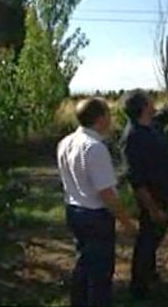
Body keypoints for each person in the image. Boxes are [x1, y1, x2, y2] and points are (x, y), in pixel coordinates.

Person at [120, 64, 168, 299]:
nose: (153, 102)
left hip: (164, 193)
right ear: (143, 107)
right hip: (153, 198)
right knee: (147, 240)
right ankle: (139, 288)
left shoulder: (150, 125)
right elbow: (137, 179)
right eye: (149, 100)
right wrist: (152, 207)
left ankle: (149, 274)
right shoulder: (133, 137)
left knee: (153, 239)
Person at [57, 98, 137, 307]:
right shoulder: (95, 148)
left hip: (74, 209)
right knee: (100, 272)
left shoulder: (65, 142)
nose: (111, 120)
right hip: (95, 215)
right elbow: (106, 194)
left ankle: (79, 301)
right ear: (100, 119)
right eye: (108, 115)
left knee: (83, 264)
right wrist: (126, 222)